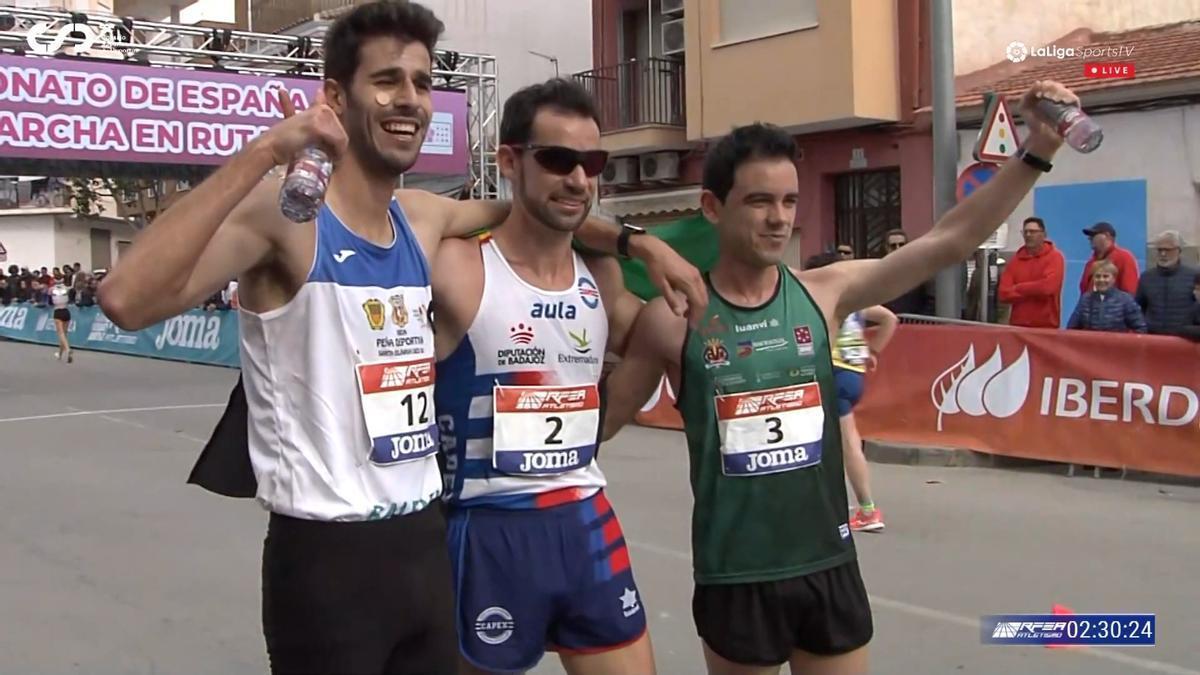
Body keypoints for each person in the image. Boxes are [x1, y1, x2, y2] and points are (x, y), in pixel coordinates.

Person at [97, 2, 703, 673]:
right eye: (387, 80)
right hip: (329, 561)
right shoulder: (287, 215)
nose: (410, 99)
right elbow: (125, 299)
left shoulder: (420, 218)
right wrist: (269, 150)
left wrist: (639, 242)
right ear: (334, 97)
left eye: (420, 82)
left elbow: (543, 205)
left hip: (425, 542)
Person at [598, 80, 1080, 674]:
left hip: (828, 562)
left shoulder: (825, 293)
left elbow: (952, 239)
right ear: (712, 207)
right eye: (758, 202)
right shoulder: (671, 320)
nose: (778, 219)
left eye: (789, 202)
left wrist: (1037, 150)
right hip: (736, 573)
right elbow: (604, 422)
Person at [432, 78, 654, 675]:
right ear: (509, 161)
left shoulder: (602, 278)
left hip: (586, 520)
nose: (580, 180)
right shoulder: (457, 266)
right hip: (487, 530)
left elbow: (659, 344)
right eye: (558, 160)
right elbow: (395, 216)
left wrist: (649, 249)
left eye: (593, 163)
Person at [804, 252, 897, 533]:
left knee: (845, 441)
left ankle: (868, 509)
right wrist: (873, 352)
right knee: (831, 441)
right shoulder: (855, 300)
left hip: (831, 371)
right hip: (852, 373)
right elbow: (890, 319)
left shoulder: (823, 298)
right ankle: (832, 502)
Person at [997, 216, 1065, 328]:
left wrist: (1018, 288)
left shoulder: (1055, 257)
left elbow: (1048, 288)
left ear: (1044, 234)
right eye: (1025, 232)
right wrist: (1035, 289)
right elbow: (1003, 294)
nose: (1028, 235)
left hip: (1046, 327)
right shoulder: (1016, 260)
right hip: (1018, 326)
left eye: (1032, 232)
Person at [1135, 230, 1198, 335]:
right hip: (1153, 339)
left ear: (1179, 250)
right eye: (1160, 250)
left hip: (1184, 341)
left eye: (1167, 250)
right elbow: (1138, 308)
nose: (1163, 254)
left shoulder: (1194, 276)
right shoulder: (1146, 277)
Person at [1067, 260, 1148, 333]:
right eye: (1098, 276)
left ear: (1114, 279)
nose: (1101, 280)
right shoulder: (1085, 299)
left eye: (1105, 276)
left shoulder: (1126, 300)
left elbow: (1140, 328)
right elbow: (1071, 329)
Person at [1078, 221, 1138, 294]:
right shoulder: (1091, 262)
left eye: (1093, 235)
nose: (1089, 238)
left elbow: (1130, 292)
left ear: (1107, 235)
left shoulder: (1124, 258)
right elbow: (1084, 291)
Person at [50, 282, 72, 363]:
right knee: (64, 335)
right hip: (66, 311)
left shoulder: (52, 290)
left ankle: (68, 349)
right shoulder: (66, 289)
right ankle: (60, 354)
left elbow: (50, 301)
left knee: (61, 333)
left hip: (58, 312)